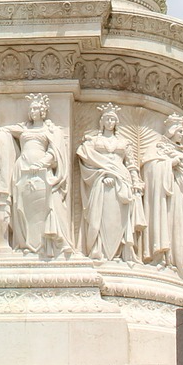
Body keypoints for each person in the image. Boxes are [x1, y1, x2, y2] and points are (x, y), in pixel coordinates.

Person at [0, 93, 72, 257]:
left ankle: (42, 246)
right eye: (31, 108)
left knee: (41, 207)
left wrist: (42, 163)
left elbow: (54, 152)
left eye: (36, 108)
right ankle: (24, 244)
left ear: (43, 111)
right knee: (21, 206)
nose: (32, 111)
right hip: (21, 168)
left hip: (41, 171)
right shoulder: (23, 128)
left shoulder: (51, 130)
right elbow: (1, 130)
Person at [76, 104, 145, 262]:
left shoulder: (124, 143)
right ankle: (98, 250)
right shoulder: (94, 141)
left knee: (119, 219)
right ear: (102, 121)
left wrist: (135, 182)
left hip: (122, 183)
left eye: (113, 119)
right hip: (100, 183)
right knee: (100, 217)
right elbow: (86, 158)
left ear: (117, 122)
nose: (110, 121)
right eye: (107, 118)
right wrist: (103, 173)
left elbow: (131, 164)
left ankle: (119, 252)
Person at [141, 114, 183, 277]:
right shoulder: (157, 147)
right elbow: (149, 167)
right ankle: (162, 259)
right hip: (164, 197)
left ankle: (179, 262)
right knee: (166, 222)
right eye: (179, 131)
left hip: (179, 196)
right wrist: (169, 164)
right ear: (171, 131)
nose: (181, 134)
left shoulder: (177, 152)